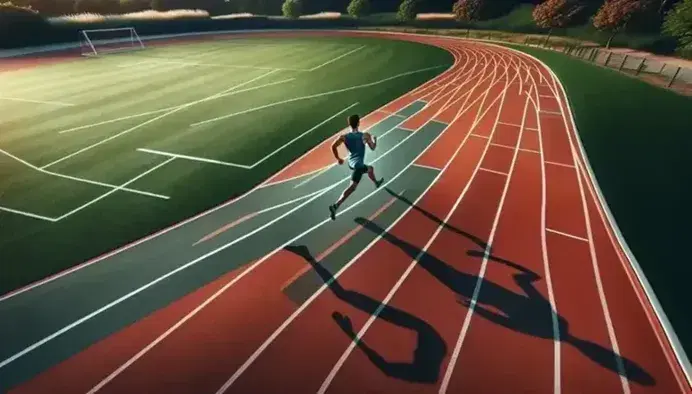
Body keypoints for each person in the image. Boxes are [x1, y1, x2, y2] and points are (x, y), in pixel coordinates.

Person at [329, 114, 384, 220]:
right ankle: (335, 206)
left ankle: (376, 182)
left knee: (370, 169)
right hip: (358, 165)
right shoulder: (365, 136)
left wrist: (339, 159)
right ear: (359, 123)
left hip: (352, 163)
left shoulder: (344, 137)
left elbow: (333, 146)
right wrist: (375, 140)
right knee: (352, 187)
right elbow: (373, 148)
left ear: (349, 124)